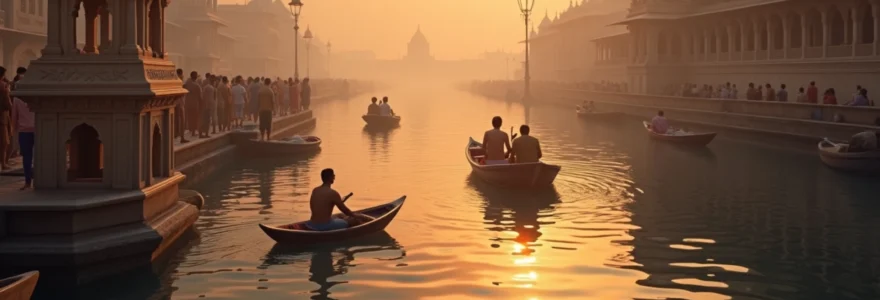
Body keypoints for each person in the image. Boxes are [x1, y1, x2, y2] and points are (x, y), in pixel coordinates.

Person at [306, 168, 372, 231]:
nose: (334, 177)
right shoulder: (333, 193)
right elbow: (346, 211)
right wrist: (356, 216)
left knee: (339, 215)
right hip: (325, 226)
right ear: (331, 177)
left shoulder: (315, 190)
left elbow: (315, 206)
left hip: (312, 224)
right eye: (333, 175)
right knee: (355, 220)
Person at [11, 95, 34, 190]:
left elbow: (14, 116)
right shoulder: (36, 94)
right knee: (41, 157)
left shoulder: (17, 99)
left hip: (24, 131)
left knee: (27, 157)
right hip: (39, 127)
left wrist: (14, 130)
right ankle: (41, 181)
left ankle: (28, 182)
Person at [184, 71, 203, 138]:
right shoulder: (197, 86)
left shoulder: (187, 83)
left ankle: (191, 130)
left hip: (188, 104)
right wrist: (201, 105)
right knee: (195, 118)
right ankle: (194, 132)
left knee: (190, 118)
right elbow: (200, 97)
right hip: (195, 104)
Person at [0, 67, 11, 170]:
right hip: (2, 117)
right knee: (4, 141)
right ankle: (3, 163)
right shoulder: (3, 87)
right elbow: (8, 104)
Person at [175, 69, 189, 143]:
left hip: (176, 103)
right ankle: (182, 138)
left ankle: (178, 135)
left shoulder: (175, 80)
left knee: (176, 121)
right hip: (180, 103)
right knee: (181, 121)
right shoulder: (180, 82)